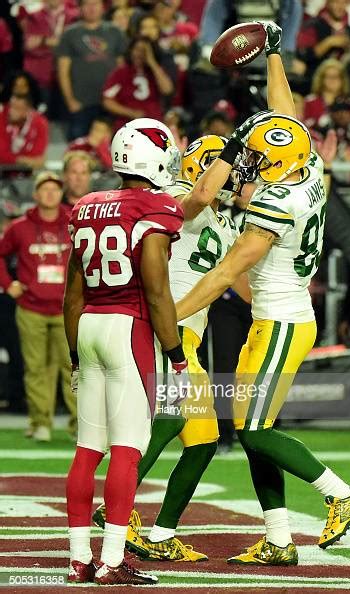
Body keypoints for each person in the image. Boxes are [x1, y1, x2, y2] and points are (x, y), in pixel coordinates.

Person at [176, 22, 350, 565]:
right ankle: (279, 538)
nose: (250, 169)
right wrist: (275, 56)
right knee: (256, 427)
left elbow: (220, 277)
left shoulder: (274, 206)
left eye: (257, 163)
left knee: (253, 429)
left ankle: (339, 492)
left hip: (282, 320)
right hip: (276, 316)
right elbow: (287, 117)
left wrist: (166, 313)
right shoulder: (308, 163)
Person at [92, 134, 248, 561]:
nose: (236, 174)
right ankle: (113, 504)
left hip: (190, 336)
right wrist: (231, 151)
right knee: (169, 416)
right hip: (168, 329)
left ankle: (161, 535)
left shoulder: (226, 222)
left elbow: (246, 290)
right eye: (228, 166)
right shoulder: (176, 196)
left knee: (202, 442)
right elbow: (197, 195)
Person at [64, 118, 185, 585]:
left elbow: (72, 295)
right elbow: (156, 293)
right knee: (127, 452)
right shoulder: (155, 207)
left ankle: (78, 560)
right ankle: (112, 560)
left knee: (86, 451)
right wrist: (174, 354)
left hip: (90, 325)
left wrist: (75, 353)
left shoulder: (88, 205)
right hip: (128, 328)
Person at [0, 171, 76, 441]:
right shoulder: (19, 227)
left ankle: (79, 424)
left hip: (67, 308)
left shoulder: (73, 222)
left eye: (55, 189)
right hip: (31, 308)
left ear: (60, 193)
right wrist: (9, 285)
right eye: (44, 189)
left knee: (73, 367)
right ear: (35, 194)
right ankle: (40, 422)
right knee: (36, 368)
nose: (50, 194)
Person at [57, 0, 127, 140]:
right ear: (80, 8)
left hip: (110, 103)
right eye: (87, 4)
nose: (92, 8)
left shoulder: (115, 32)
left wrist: (121, 100)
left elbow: (123, 68)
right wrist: (70, 101)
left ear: (103, 7)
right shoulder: (70, 34)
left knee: (113, 147)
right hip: (81, 103)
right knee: (79, 147)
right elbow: (63, 71)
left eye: (95, 4)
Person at [102, 36, 174, 131]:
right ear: (131, 50)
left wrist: (152, 62)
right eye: (137, 49)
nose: (139, 54)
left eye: (144, 51)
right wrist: (131, 113)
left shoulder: (156, 72)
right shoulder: (120, 73)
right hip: (126, 127)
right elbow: (107, 101)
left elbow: (167, 90)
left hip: (153, 126)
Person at [0, 94, 49, 171]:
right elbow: (1, 154)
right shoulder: (2, 119)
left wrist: (13, 157)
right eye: (11, 106)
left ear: (27, 111)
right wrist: (21, 159)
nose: (11, 111)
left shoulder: (40, 123)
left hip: (28, 173)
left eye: (17, 108)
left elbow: (38, 154)